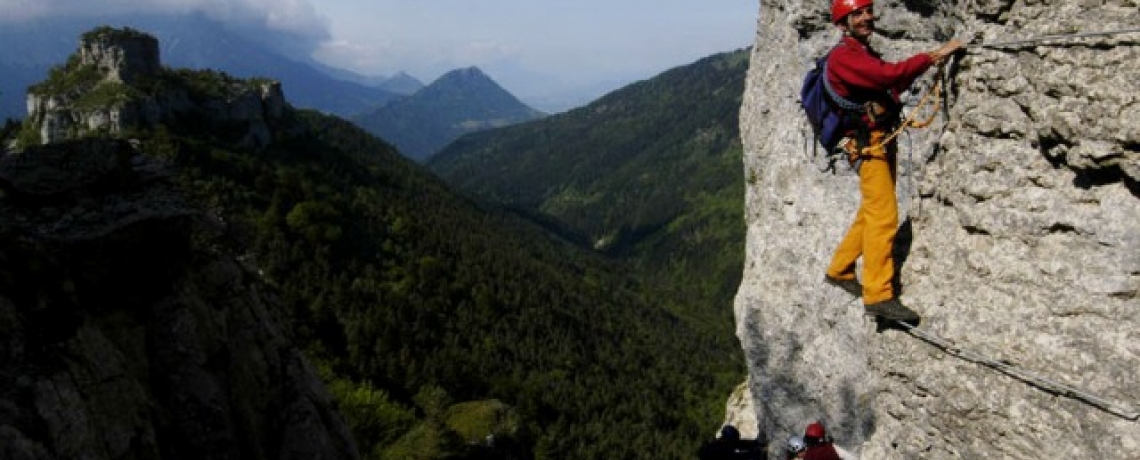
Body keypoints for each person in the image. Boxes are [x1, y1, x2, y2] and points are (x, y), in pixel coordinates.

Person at [821, 0, 962, 322]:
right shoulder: (845, 56)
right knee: (883, 216)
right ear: (843, 22)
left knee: (871, 210)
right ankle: (878, 295)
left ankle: (840, 268)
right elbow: (889, 75)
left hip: (877, 140)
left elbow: (886, 81)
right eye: (857, 14)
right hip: (868, 145)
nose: (867, 17)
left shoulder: (858, 52)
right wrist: (933, 56)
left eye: (868, 11)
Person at [697, 425, 765, 460]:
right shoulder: (718, 449)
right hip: (727, 455)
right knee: (738, 456)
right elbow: (738, 457)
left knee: (735, 443)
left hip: (726, 447)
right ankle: (758, 453)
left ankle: (756, 448)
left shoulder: (717, 444)